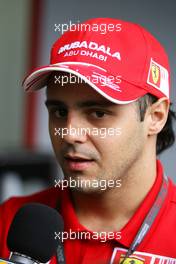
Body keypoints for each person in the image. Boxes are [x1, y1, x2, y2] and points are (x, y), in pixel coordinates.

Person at [0, 17, 176, 263]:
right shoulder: (8, 221)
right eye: (60, 112)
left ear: (155, 117)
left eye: (98, 113)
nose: (69, 133)